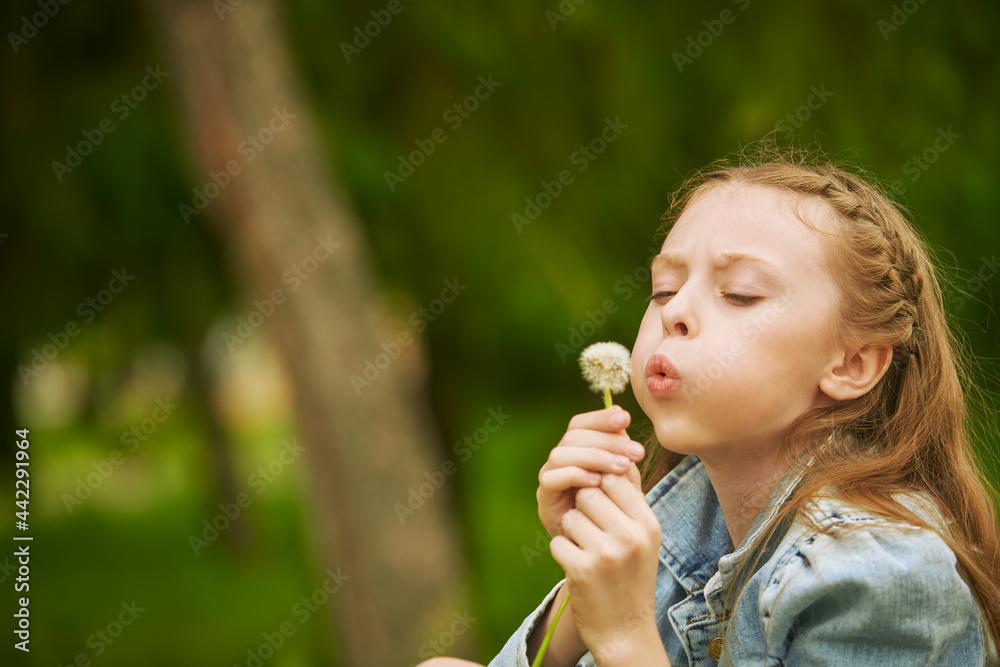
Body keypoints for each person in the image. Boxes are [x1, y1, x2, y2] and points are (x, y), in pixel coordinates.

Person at [418, 152, 1000, 666]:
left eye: (740, 293)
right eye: (664, 289)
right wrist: (588, 567)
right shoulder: (681, 516)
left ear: (852, 364)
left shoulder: (882, 574)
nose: (675, 312)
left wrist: (624, 635)